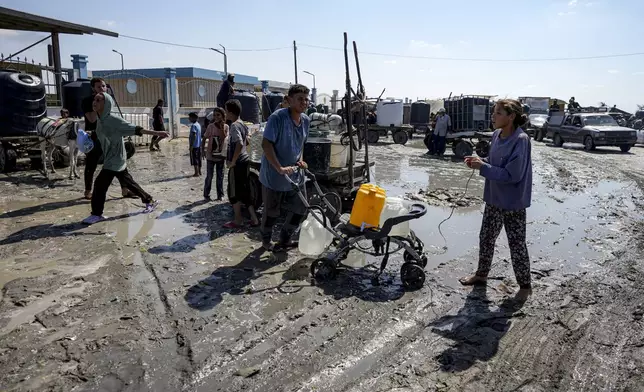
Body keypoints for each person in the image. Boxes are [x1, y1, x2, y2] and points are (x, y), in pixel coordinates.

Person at [460, 99, 533, 300]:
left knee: (516, 244)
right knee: (486, 238)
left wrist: (483, 168)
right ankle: (481, 275)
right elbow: (495, 164)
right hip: (494, 198)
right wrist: (480, 162)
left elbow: (513, 175)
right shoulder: (496, 135)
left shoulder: (521, 140)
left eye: (498, 113)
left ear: (511, 116)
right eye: (494, 112)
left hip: (512, 202)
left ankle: (525, 286)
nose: (493, 116)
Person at [82, 93, 169, 225]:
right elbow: (102, 133)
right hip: (111, 157)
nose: (95, 102)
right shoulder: (100, 119)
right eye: (94, 99)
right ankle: (149, 200)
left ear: (106, 104)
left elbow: (135, 129)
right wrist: (90, 134)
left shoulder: (113, 119)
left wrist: (157, 133)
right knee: (129, 182)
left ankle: (96, 214)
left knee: (99, 185)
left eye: (99, 100)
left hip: (115, 158)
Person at [259, 84, 310, 252]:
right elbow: (266, 145)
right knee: (272, 211)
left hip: (295, 172)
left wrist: (301, 161)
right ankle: (266, 241)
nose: (304, 102)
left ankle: (285, 239)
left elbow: (300, 144)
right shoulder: (278, 118)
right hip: (275, 173)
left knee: (301, 208)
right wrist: (279, 168)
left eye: (306, 99)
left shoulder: (306, 121)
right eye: (300, 99)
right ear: (289, 100)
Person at [82, 77, 135, 200]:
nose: (102, 88)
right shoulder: (88, 101)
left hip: (110, 137)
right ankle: (88, 191)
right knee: (91, 164)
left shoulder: (108, 101)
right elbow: (91, 119)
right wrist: (97, 105)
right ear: (93, 89)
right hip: (94, 137)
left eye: (104, 86)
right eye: (99, 87)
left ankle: (125, 189)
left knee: (120, 163)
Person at [224, 99, 259, 228]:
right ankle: (254, 219)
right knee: (245, 191)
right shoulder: (243, 124)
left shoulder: (234, 125)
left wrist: (232, 161)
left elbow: (239, 143)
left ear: (231, 112)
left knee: (234, 191)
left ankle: (238, 220)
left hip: (238, 162)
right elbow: (248, 141)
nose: (225, 113)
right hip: (245, 159)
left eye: (226, 111)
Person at [202, 107, 228, 201]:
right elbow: (204, 138)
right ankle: (206, 194)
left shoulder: (226, 127)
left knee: (220, 176)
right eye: (214, 115)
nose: (216, 117)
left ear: (222, 116)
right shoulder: (211, 126)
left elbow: (225, 138)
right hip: (210, 155)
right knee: (209, 176)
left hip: (221, 155)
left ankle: (220, 195)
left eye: (218, 115)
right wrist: (202, 151)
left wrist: (221, 127)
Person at [188, 112, 202, 177]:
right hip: (199, 145)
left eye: (190, 117)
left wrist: (191, 145)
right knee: (199, 158)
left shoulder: (193, 126)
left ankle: (196, 173)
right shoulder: (198, 125)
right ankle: (199, 171)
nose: (189, 118)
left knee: (195, 158)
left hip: (194, 145)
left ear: (193, 118)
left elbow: (194, 135)